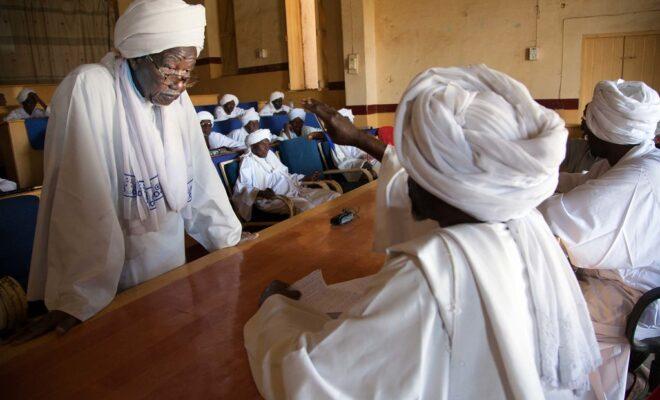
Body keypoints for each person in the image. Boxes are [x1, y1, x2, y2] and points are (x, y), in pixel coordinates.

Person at [244, 65, 601, 399]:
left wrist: (274, 312)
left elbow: (313, 380)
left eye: (417, 169)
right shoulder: (521, 223)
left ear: (449, 185)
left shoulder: (434, 270)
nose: (406, 179)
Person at [10, 0, 242, 342]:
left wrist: (229, 241)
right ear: (137, 56)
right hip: (107, 285)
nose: (179, 85)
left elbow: (200, 177)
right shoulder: (90, 88)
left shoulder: (175, 99)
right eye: (169, 70)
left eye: (187, 74)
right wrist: (80, 298)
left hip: (168, 269)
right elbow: (81, 201)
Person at [538, 79, 660, 400]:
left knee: (534, 312)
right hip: (627, 284)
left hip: (628, 296)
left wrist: (510, 198)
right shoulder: (626, 162)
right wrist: (530, 181)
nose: (584, 128)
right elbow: (574, 185)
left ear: (608, 130)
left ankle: (574, 390)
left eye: (590, 122)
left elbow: (562, 218)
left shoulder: (636, 180)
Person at [232, 129, 339, 221]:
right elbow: (243, 187)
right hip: (273, 199)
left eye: (268, 143)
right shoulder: (247, 162)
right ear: (253, 146)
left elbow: (286, 175)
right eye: (263, 144)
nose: (267, 147)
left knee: (333, 196)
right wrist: (260, 192)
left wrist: (304, 178)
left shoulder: (270, 155)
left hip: (295, 190)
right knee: (306, 207)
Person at [328, 108, 380, 181]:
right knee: (371, 172)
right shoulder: (334, 140)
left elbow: (358, 150)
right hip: (349, 165)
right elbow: (341, 160)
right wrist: (360, 159)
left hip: (362, 161)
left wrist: (364, 155)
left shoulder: (353, 136)